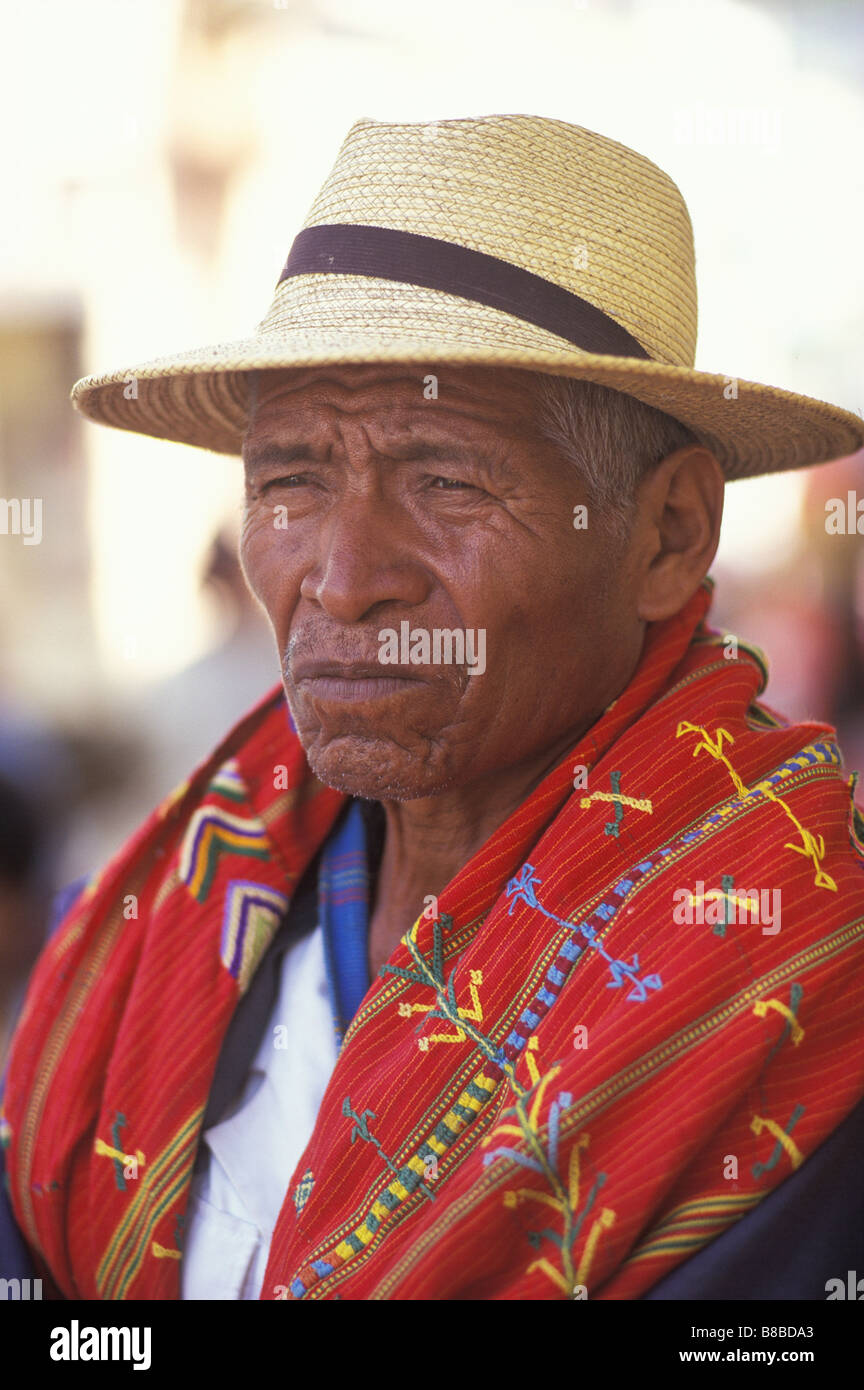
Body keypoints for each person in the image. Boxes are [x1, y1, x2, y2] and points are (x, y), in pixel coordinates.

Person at [2, 115, 864, 1302]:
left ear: (668, 533)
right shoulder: (175, 909)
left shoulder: (795, 960)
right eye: (291, 480)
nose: (344, 578)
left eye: (448, 480)